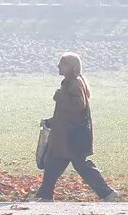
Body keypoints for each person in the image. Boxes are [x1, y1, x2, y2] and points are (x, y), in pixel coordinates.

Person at [33, 52, 118, 201]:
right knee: (53, 163)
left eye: (62, 64)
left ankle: (107, 193)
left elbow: (78, 105)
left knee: (70, 164)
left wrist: (60, 97)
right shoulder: (71, 81)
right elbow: (65, 114)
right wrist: (50, 122)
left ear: (71, 67)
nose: (58, 66)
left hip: (69, 137)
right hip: (65, 135)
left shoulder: (74, 83)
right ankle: (45, 194)